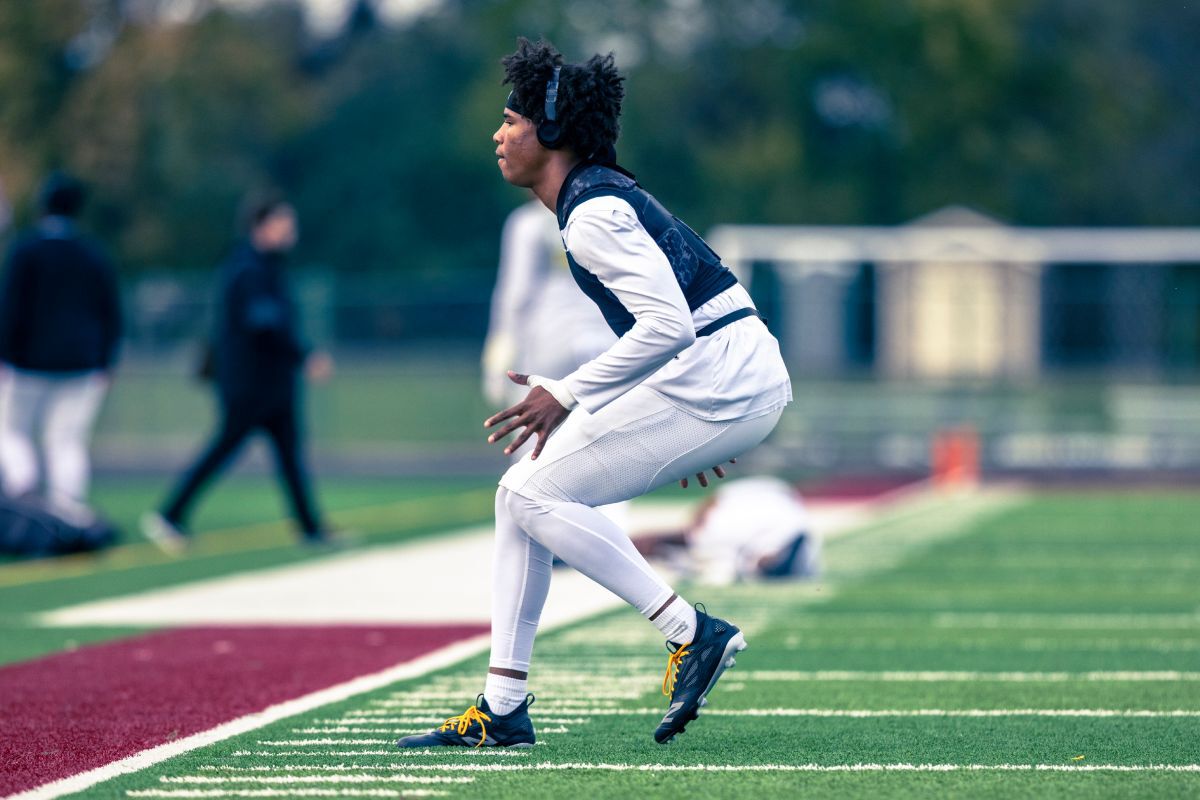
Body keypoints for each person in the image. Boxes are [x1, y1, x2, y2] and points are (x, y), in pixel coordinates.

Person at [398, 38, 791, 749]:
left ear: (551, 131)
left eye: (511, 120)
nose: (499, 135)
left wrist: (568, 392)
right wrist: (682, 427)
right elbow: (682, 319)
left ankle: (690, 632)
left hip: (719, 373)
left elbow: (669, 324)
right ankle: (503, 705)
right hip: (719, 373)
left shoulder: (591, 214)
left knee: (530, 494)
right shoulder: (593, 200)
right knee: (518, 495)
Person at [141, 196, 334, 553]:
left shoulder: (268, 267)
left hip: (273, 384)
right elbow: (265, 324)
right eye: (284, 222)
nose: (291, 230)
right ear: (262, 225)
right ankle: (169, 514)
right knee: (224, 449)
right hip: (251, 385)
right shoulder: (249, 269)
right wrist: (304, 355)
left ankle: (310, 528)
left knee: (289, 456)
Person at [0, 172, 122, 522]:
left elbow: (10, 308)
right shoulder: (92, 253)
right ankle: (68, 510)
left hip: (28, 362)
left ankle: (24, 494)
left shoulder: (27, 250)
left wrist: (4, 354)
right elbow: (111, 311)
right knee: (66, 440)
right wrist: (106, 359)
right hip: (81, 363)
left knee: (12, 431)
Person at [635, 476, 820, 585]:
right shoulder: (717, 530)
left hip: (732, 531)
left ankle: (642, 548)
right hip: (731, 527)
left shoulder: (719, 532)